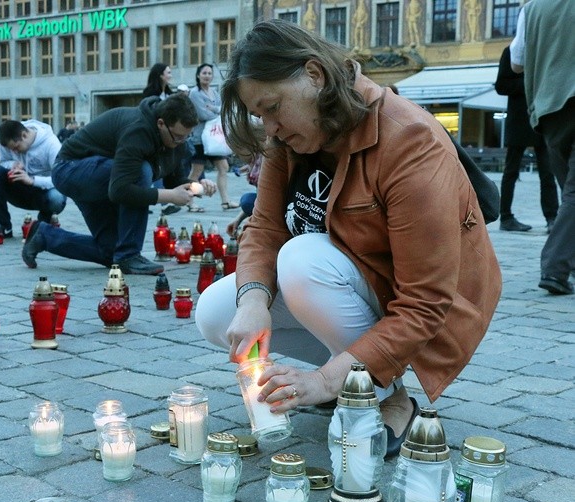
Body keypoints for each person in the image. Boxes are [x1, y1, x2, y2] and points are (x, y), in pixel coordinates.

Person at [195, 19, 502, 457]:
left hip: (424, 303)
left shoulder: (409, 139)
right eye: (259, 115)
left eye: (273, 108)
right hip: (342, 282)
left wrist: (320, 382)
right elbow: (264, 228)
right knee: (215, 313)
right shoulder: (289, 138)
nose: (270, 127)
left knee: (302, 261)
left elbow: (425, 303)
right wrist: (252, 302)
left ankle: (389, 397)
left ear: (315, 76)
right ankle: (349, 375)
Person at [22, 95, 217, 275]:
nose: (181, 142)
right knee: (142, 171)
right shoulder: (138, 130)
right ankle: (130, 255)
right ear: (161, 124)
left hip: (104, 176)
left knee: (111, 252)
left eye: (186, 137)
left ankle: (44, 236)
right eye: (178, 137)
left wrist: (196, 186)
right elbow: (120, 190)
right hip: (71, 171)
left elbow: (174, 181)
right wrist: (168, 197)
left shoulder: (176, 139)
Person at [510, 0, 575, 295]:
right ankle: (555, 267)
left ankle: (565, 260)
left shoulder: (532, 8)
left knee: (570, 193)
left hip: (549, 108)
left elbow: (517, 61)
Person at [495, 46, 558, 233]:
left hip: (540, 117)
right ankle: (505, 217)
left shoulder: (543, 48)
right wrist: (529, 83)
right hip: (519, 120)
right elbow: (501, 86)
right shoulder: (511, 51)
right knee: (511, 171)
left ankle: (551, 217)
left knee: (548, 172)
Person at [0, 119, 67, 238]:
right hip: (19, 190)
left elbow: (62, 179)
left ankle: (43, 224)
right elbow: (3, 162)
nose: (14, 151)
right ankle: (3, 226)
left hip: (44, 192)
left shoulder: (51, 144)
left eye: (16, 147)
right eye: (11, 150)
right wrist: (13, 164)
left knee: (57, 197)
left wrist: (32, 180)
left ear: (24, 135)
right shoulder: (8, 141)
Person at [187, 63, 238, 212]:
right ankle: (190, 202)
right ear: (198, 75)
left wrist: (214, 109)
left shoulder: (214, 92)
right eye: (204, 73)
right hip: (200, 139)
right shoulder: (194, 93)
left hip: (215, 138)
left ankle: (225, 201)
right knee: (196, 172)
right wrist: (215, 111)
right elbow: (203, 114)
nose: (207, 76)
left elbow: (223, 110)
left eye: (210, 73)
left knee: (224, 167)